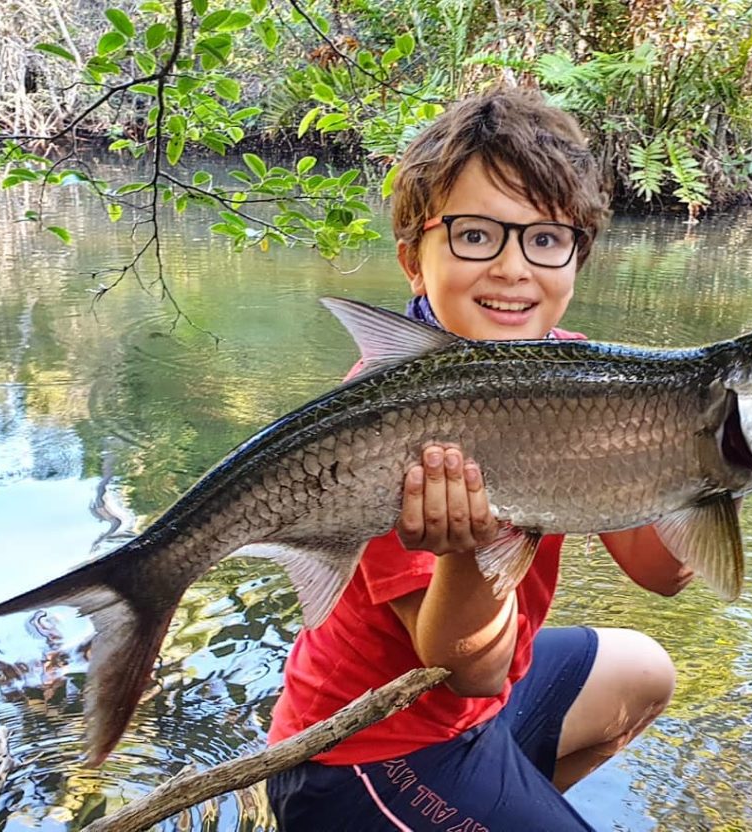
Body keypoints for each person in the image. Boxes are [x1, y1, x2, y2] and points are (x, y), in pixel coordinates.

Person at [266, 87, 694, 831]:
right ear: (413, 259)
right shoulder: (380, 419)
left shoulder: (576, 372)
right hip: (362, 755)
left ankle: (501, 806)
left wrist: (723, 457)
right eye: (474, 236)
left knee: (644, 671)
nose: (512, 269)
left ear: (576, 257)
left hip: (477, 713)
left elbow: (663, 573)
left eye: (546, 239)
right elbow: (467, 669)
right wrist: (468, 553)